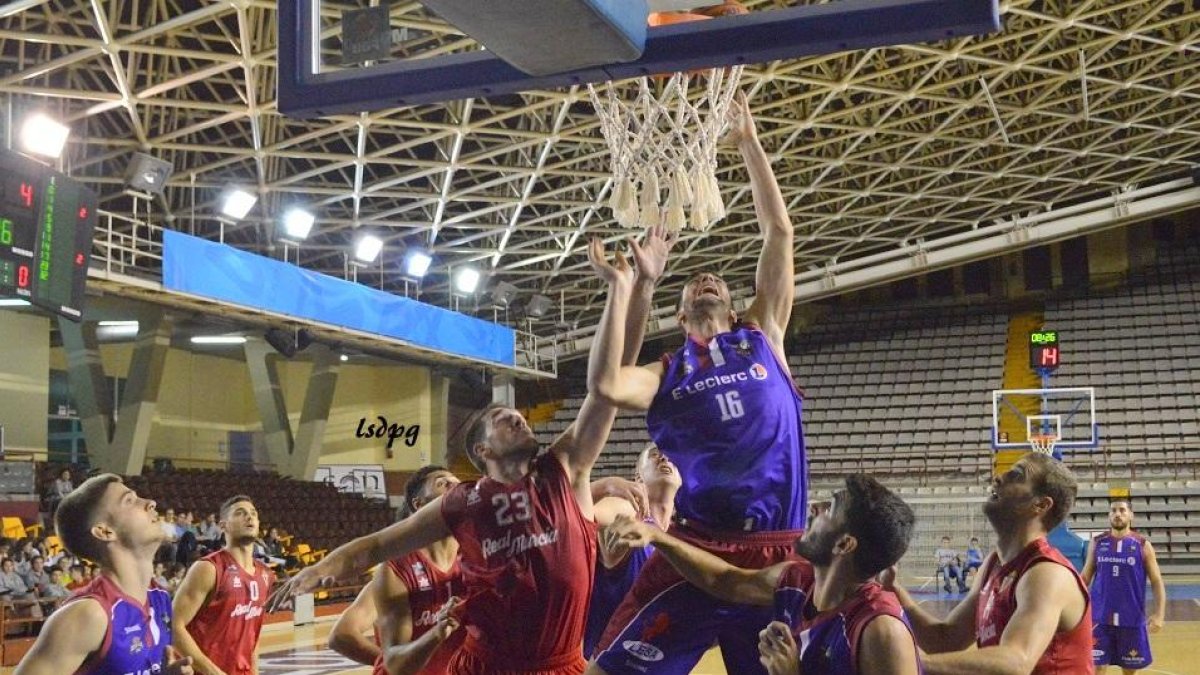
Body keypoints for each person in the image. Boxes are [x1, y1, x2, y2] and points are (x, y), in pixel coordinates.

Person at [274, 233, 668, 674]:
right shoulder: (464, 502)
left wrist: (636, 288)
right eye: (503, 418)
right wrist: (321, 568)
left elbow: (611, 383)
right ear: (482, 450)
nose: (517, 417)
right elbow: (379, 545)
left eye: (517, 414)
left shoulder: (564, 469)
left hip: (560, 665)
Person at [587, 91, 805, 675]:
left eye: (716, 281)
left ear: (735, 311)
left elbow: (778, 233)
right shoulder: (668, 371)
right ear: (682, 318)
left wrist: (750, 146)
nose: (706, 278)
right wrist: (636, 288)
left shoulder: (763, 337)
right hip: (696, 548)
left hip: (778, 550)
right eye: (694, 283)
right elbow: (607, 383)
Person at [604, 474, 919, 675]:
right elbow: (726, 580)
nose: (816, 510)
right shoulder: (796, 581)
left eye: (830, 510)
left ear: (844, 544)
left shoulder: (880, 632)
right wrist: (658, 538)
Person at [884, 454, 1092, 675]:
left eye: (1017, 475)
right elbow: (944, 639)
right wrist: (893, 589)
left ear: (1039, 505)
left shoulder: (1047, 573)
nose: (999, 477)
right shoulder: (993, 565)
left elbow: (1016, 661)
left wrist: (909, 666)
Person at [14, 473, 193, 674]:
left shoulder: (159, 598)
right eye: (130, 500)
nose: (150, 502)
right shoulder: (89, 614)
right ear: (105, 531)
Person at [584, 444, 680, 657]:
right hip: (607, 664)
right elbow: (572, 513)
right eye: (655, 455)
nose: (664, 459)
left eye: (671, 456)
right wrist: (604, 486)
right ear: (638, 477)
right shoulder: (627, 510)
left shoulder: (683, 536)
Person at [172, 495, 275, 675]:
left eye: (253, 513)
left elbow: (252, 636)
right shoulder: (208, 568)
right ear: (223, 525)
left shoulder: (266, 575)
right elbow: (173, 626)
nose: (249, 517)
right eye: (240, 513)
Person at [1081, 500, 1166, 674]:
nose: (1118, 514)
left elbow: (1157, 581)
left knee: (1129, 669)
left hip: (1131, 619)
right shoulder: (1097, 542)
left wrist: (1159, 614)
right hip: (1099, 618)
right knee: (1097, 667)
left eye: (1122, 510)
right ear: (1109, 515)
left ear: (1131, 515)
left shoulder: (1143, 545)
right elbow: (1084, 578)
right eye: (1113, 511)